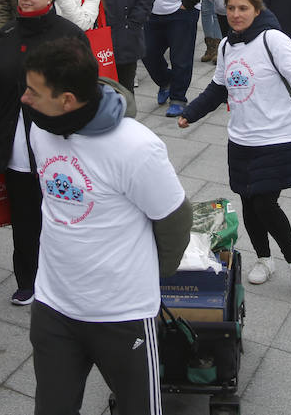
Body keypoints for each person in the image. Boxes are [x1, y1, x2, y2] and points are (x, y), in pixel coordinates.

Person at [19, 37, 190, 415]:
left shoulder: (135, 147)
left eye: (33, 92)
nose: (24, 99)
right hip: (54, 306)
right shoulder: (41, 127)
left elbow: (175, 220)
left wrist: (147, 275)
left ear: (67, 100)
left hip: (122, 314)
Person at [179, 0, 291, 296]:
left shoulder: (273, 40)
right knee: (249, 204)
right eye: (232, 8)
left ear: (257, 9)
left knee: (265, 203)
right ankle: (264, 259)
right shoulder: (226, 45)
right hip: (241, 138)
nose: (236, 15)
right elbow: (218, 89)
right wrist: (192, 112)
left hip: (276, 137)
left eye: (243, 8)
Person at [0, 0, 87, 305]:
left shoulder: (68, 35)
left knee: (64, 212)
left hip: (60, 142)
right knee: (23, 216)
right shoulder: (6, 35)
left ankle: (68, 278)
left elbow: (87, 87)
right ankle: (27, 278)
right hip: (15, 142)